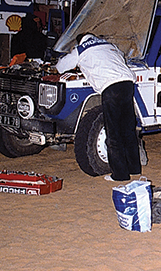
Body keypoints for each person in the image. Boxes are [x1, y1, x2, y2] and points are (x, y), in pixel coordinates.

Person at [55, 33, 141, 182]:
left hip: (111, 88)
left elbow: (61, 67)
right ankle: (134, 168)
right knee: (128, 129)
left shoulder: (81, 49)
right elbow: (119, 57)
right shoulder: (109, 45)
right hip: (127, 84)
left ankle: (120, 175)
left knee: (113, 133)